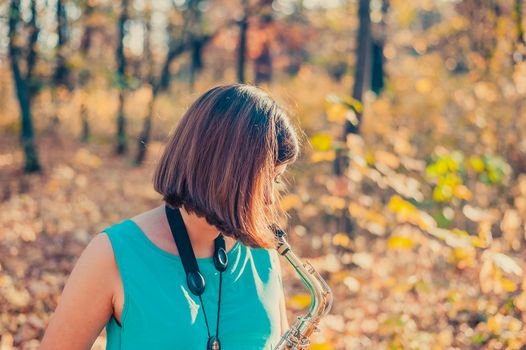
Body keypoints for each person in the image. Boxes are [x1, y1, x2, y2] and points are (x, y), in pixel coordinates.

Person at [40, 83, 300, 349]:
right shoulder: (113, 254)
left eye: (276, 180)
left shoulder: (262, 253)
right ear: (224, 172)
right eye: (264, 179)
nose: (269, 197)